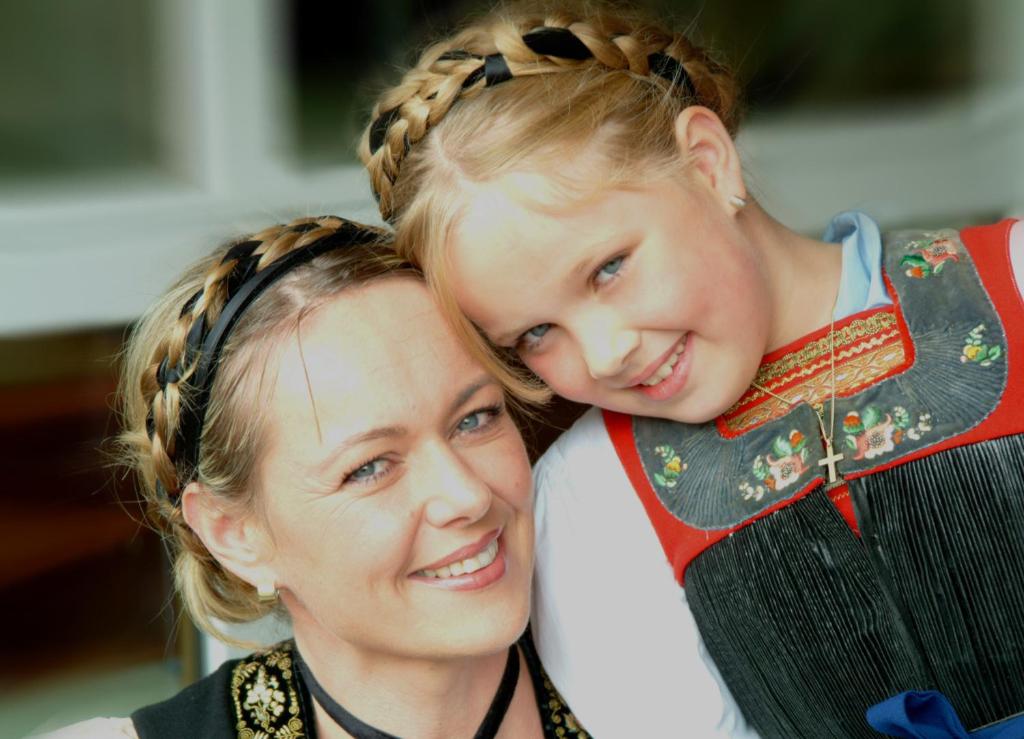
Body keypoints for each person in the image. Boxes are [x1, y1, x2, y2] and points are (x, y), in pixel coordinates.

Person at [358, 3, 1024, 737]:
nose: (607, 352)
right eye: (536, 334)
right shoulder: (594, 498)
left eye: (608, 268)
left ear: (708, 164)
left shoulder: (1015, 286)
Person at [46, 217, 588, 738]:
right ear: (237, 535)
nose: (466, 495)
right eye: (370, 467)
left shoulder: (656, 668)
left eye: (476, 418)